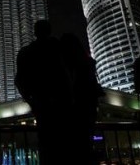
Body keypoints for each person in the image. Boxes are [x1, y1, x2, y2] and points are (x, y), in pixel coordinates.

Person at [15, 20, 71, 165]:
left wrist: (31, 101)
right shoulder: (61, 49)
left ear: (35, 32)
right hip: (63, 105)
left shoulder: (27, 53)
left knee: (46, 145)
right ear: (50, 30)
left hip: (42, 106)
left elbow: (19, 81)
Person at [60, 33, 104, 163]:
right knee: (86, 144)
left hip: (72, 113)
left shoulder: (65, 66)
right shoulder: (87, 63)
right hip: (88, 111)